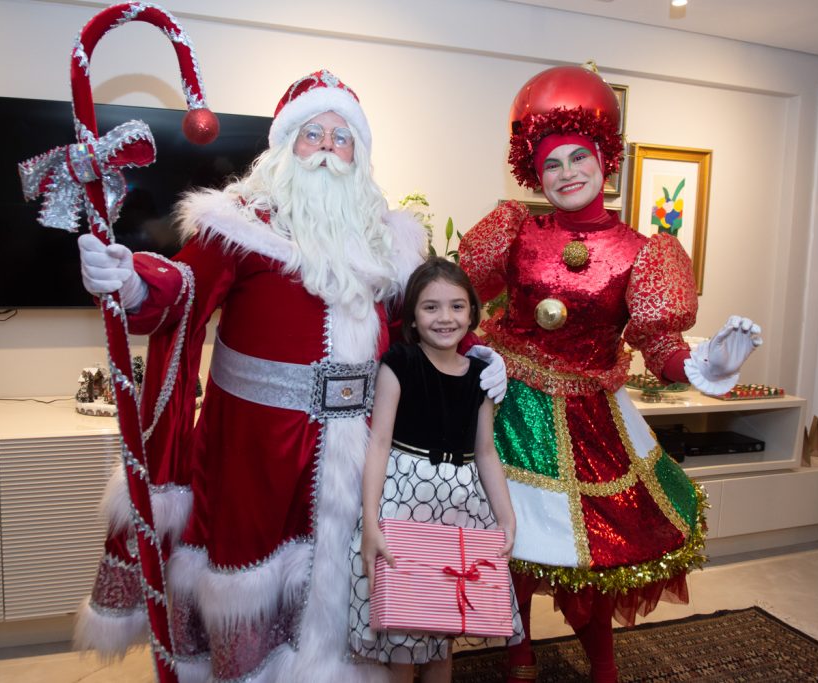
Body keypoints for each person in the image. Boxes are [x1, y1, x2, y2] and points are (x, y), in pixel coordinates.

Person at [75, 70, 507, 683]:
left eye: (342, 136)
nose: (328, 148)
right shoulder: (237, 225)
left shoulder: (388, 241)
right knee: (255, 587)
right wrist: (130, 278)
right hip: (258, 449)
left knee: (355, 584)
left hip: (368, 446)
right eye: (313, 133)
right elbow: (180, 289)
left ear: (360, 154)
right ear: (284, 147)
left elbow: (428, 320)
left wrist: (480, 355)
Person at [458, 64, 762, 683]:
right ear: (534, 173)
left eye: (578, 157)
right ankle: (518, 651)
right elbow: (458, 302)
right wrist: (475, 351)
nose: (567, 173)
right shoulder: (515, 230)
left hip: (592, 419)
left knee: (590, 547)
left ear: (604, 159)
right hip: (508, 404)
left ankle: (602, 664)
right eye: (552, 164)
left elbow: (660, 343)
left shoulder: (642, 252)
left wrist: (706, 368)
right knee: (508, 537)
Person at [349, 258, 524, 682]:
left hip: (461, 508)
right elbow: (379, 442)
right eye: (431, 307)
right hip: (404, 501)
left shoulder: (482, 375)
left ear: (472, 313)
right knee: (403, 635)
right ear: (412, 316)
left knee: (443, 628)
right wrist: (371, 522)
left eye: (457, 306)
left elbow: (485, 452)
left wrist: (506, 517)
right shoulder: (400, 364)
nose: (445, 318)